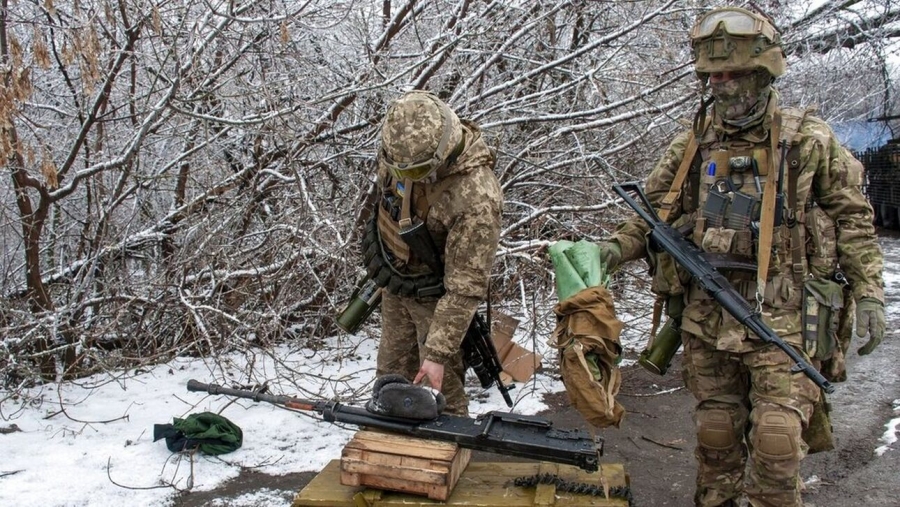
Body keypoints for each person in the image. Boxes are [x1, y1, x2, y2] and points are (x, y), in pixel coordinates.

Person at [595, 7, 885, 507]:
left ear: (765, 71)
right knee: (716, 438)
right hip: (709, 319)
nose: (723, 86)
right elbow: (651, 215)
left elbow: (854, 218)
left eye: (735, 74)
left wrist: (870, 292)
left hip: (785, 317)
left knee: (775, 441)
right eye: (713, 76)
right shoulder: (693, 143)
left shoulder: (807, 141)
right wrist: (611, 251)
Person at [362, 90, 502, 417]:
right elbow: (388, 201)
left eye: (413, 173)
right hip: (398, 285)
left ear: (440, 153)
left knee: (440, 394)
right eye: (397, 168)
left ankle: (444, 459)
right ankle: (394, 452)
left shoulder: (475, 198)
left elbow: (465, 287)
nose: (402, 177)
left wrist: (438, 353)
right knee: (390, 381)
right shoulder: (402, 148)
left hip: (439, 303)